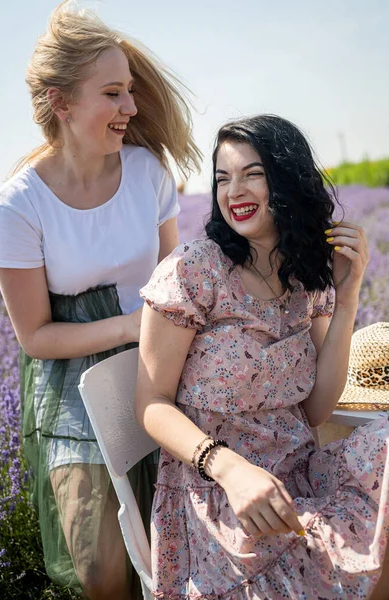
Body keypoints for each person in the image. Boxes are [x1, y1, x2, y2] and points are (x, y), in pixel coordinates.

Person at [0, 2, 200, 598]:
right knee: (100, 568)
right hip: (67, 385)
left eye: (130, 91)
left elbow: (173, 277)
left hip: (158, 362)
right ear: (61, 102)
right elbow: (34, 337)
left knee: (173, 545)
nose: (130, 107)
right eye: (113, 93)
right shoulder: (17, 205)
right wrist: (132, 324)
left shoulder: (148, 173)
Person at [136, 115, 389, 599]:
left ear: (287, 177)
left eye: (252, 174)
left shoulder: (302, 275)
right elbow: (150, 401)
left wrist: (348, 292)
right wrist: (229, 467)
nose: (234, 191)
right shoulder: (193, 271)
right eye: (222, 178)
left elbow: (315, 409)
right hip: (221, 496)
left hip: (298, 471)